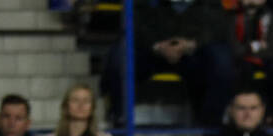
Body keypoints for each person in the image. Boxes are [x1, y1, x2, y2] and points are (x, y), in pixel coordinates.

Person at [100, 0, 235, 126]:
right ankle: (120, 118)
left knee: (221, 58)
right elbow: (135, 20)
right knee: (120, 54)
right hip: (152, 50)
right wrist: (156, 46)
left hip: (194, 52)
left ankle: (212, 124)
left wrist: (192, 44)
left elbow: (217, 27)